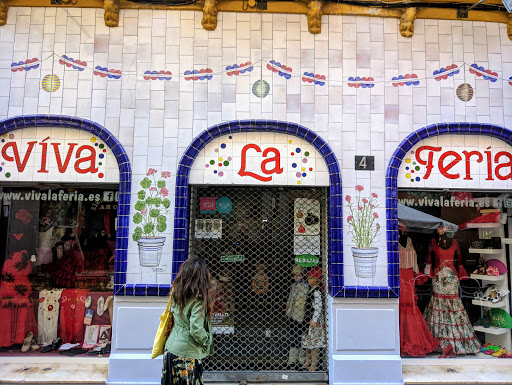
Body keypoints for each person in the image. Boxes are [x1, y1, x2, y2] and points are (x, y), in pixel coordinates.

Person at [422, 225, 481, 357]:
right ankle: (441, 343)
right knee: (438, 305)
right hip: (438, 278)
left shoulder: (455, 243)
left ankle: (455, 344)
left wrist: (461, 274)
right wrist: (427, 274)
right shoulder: (433, 242)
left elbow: (459, 261)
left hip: (451, 278)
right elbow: (428, 260)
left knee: (453, 306)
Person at [162, 256, 214, 385]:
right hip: (187, 353)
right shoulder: (199, 299)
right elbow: (196, 328)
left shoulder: (176, 293)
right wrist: (207, 340)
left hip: (171, 349)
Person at [301, 266, 326, 371]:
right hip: (308, 318)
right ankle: (308, 361)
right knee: (308, 342)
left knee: (314, 344)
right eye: (309, 278)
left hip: (314, 320)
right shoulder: (311, 290)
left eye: (311, 278)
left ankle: (314, 364)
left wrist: (314, 319)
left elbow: (318, 307)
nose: (309, 280)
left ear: (316, 280)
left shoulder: (316, 292)